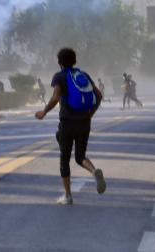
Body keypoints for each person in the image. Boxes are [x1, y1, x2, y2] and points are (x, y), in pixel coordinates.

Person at [35, 48, 107, 205]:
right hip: (84, 122)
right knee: (80, 157)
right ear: (74, 61)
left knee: (64, 159)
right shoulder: (83, 75)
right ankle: (94, 172)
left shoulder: (59, 76)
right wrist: (90, 114)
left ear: (59, 62)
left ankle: (68, 196)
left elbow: (55, 97)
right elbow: (99, 95)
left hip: (67, 122)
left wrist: (44, 111)